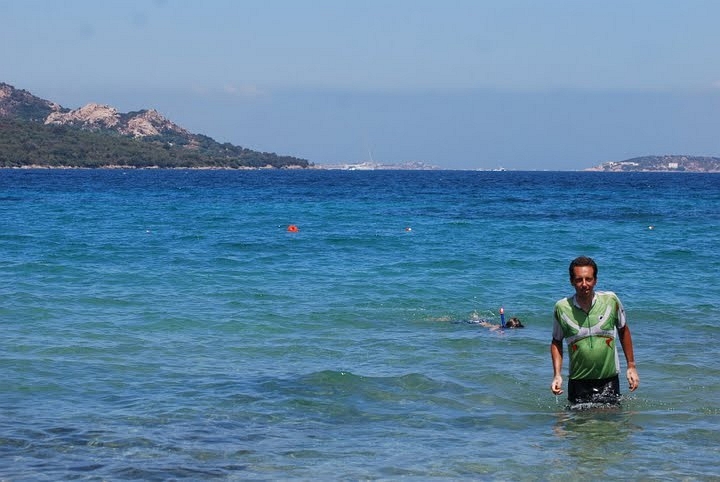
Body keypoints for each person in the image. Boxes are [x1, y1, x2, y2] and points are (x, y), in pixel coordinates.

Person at [550, 256, 639, 405]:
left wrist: (631, 366)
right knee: (577, 425)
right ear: (572, 281)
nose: (584, 284)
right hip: (578, 382)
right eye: (579, 280)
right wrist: (557, 375)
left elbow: (623, 330)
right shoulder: (562, 308)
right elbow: (556, 342)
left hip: (609, 380)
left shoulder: (611, 300)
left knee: (612, 425)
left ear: (595, 280)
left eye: (588, 279)